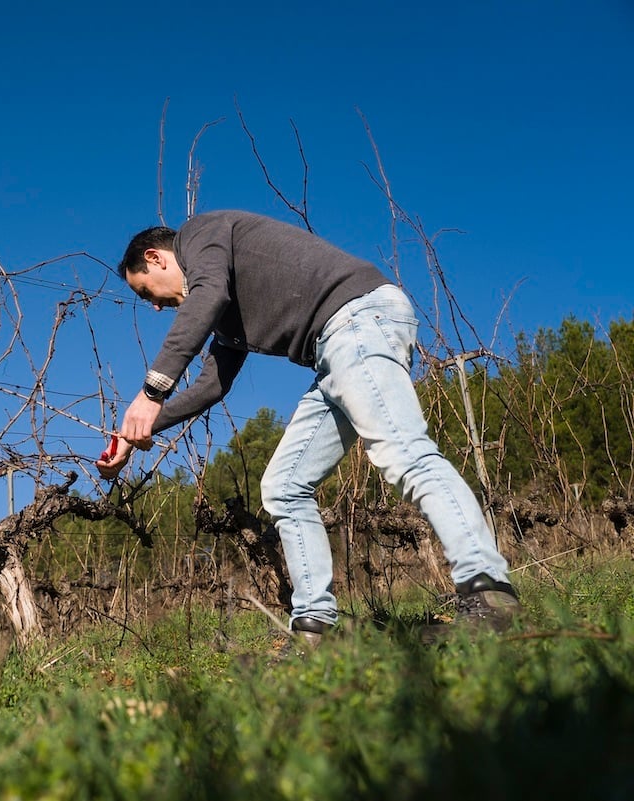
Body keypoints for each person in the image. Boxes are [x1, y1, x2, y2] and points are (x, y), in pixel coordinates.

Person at [95, 210, 519, 645]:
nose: (154, 306)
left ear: (157, 256)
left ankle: (489, 592)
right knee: (284, 486)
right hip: (335, 351)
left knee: (403, 451)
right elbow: (210, 386)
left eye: (147, 291)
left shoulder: (201, 235)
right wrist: (133, 431)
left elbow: (207, 296)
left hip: (358, 321)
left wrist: (152, 393)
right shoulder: (224, 309)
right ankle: (314, 631)